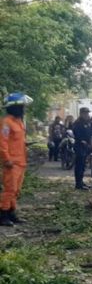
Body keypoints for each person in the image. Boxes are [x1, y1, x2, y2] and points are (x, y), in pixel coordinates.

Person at [0, 93, 33, 227]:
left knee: (16, 189)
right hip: (12, 162)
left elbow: (17, 140)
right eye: (22, 107)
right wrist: (6, 159)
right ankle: (3, 214)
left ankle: (11, 212)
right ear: (15, 107)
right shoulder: (6, 123)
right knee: (9, 189)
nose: (24, 109)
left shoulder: (18, 121)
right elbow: (2, 142)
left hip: (20, 161)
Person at [72, 107, 92, 190]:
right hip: (80, 146)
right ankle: (78, 184)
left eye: (87, 113)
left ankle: (81, 181)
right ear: (81, 114)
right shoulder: (78, 123)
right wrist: (82, 141)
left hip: (86, 146)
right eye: (85, 113)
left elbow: (90, 134)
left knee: (83, 165)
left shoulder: (87, 123)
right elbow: (77, 134)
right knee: (79, 166)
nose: (87, 114)